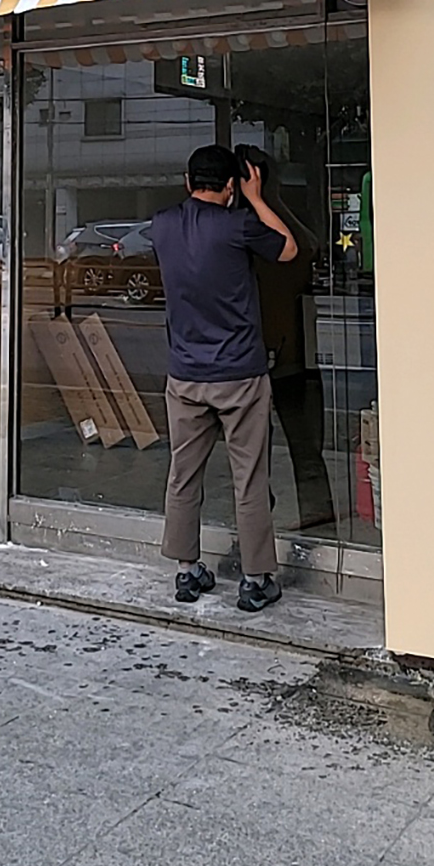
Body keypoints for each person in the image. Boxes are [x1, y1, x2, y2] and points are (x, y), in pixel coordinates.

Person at [150, 144, 298, 612]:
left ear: (188, 182)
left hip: (185, 375)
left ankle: (186, 570)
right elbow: (289, 248)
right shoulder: (239, 226)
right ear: (231, 186)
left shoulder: (162, 225)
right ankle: (255, 579)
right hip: (239, 375)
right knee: (249, 479)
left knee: (183, 475)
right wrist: (256, 198)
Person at [246, 147, 336, 532]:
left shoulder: (254, 227)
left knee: (256, 455)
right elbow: (309, 247)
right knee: (298, 449)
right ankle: (312, 519)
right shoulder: (252, 227)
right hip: (286, 355)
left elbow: (305, 248)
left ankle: (257, 529)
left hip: (275, 357)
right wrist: (270, 199)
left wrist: (265, 201)